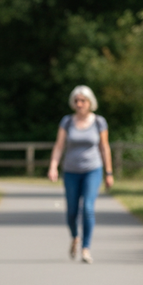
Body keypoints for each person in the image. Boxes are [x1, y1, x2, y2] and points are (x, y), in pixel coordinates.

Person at [47, 85, 114, 264]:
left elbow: (104, 147)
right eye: (76, 100)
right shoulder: (67, 122)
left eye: (82, 100)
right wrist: (53, 166)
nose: (79, 104)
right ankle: (75, 236)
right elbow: (59, 145)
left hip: (93, 169)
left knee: (88, 208)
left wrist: (109, 172)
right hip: (70, 171)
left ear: (90, 102)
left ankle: (86, 248)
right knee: (71, 211)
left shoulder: (99, 122)